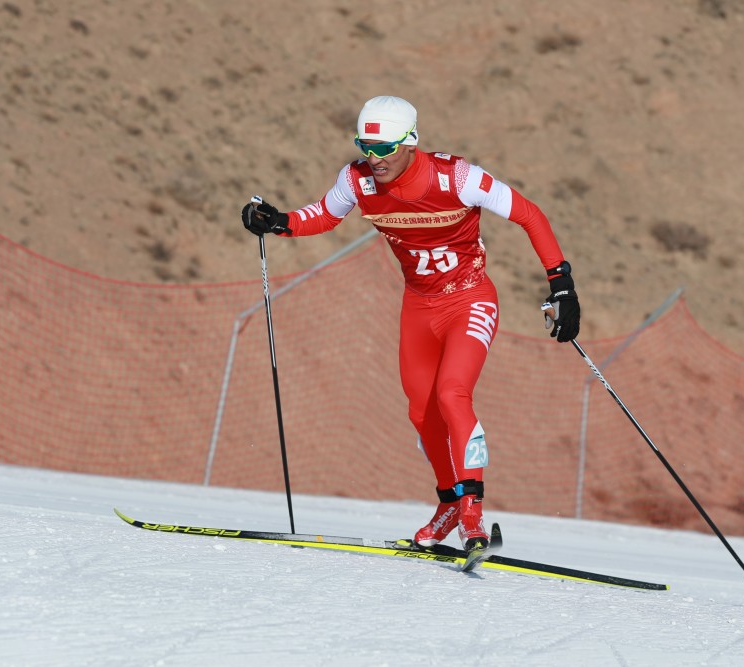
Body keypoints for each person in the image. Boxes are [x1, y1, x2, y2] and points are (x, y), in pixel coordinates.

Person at [241, 96, 580, 554]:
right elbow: (321, 216)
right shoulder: (356, 180)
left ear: (410, 142)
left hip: (469, 299)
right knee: (422, 412)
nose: (373, 158)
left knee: (451, 393)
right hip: (419, 308)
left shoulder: (457, 177)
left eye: (384, 148)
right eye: (366, 145)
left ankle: (472, 513)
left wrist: (561, 284)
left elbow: (528, 214)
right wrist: (277, 221)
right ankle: (448, 505)